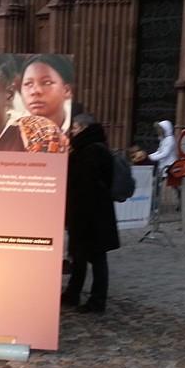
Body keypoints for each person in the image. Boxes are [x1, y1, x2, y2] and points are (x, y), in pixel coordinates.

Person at [61, 113, 120, 314]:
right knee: (79, 256)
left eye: (76, 128)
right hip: (91, 215)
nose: (73, 132)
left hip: (91, 216)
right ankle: (73, 293)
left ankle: (97, 300)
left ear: (84, 128)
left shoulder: (90, 151)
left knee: (96, 258)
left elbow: (85, 186)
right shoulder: (92, 148)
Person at [19, 54, 74, 134]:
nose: (35, 91)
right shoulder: (14, 133)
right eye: (28, 84)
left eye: (47, 83)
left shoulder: (81, 130)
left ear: (67, 90)